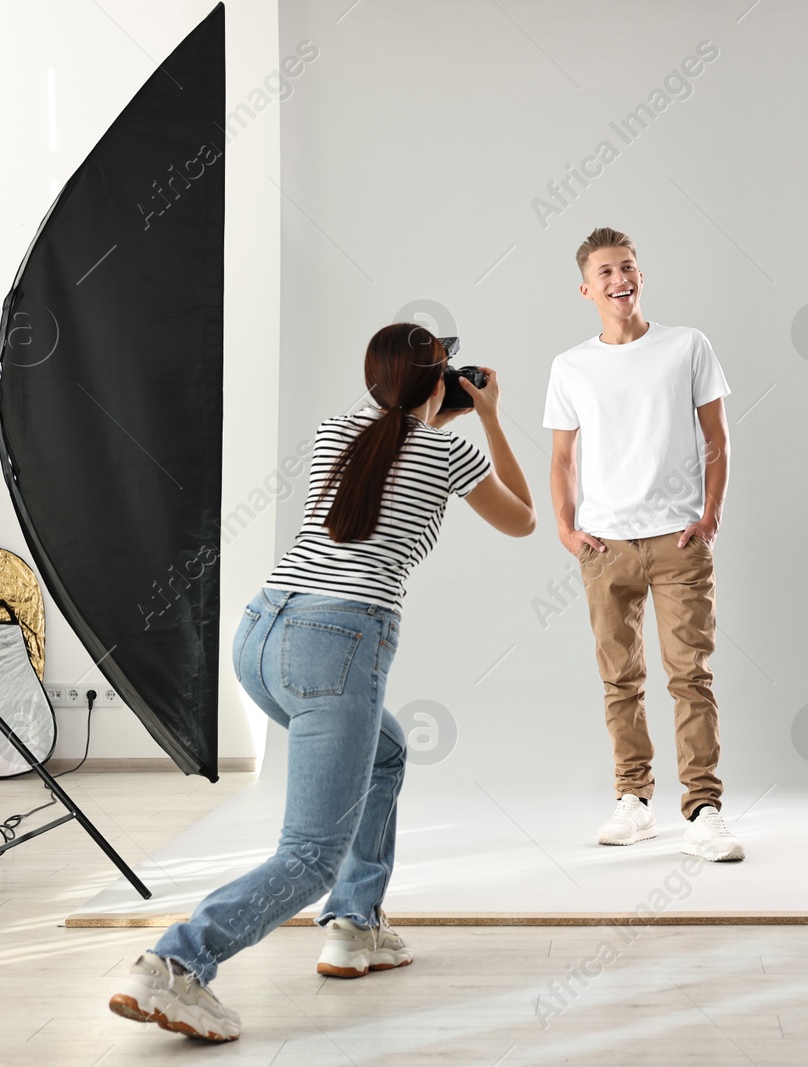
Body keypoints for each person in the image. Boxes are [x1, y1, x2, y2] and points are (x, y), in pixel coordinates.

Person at [109, 323, 536, 1041]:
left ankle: (355, 922)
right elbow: (523, 520)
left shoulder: (339, 427)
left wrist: (428, 410)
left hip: (262, 633)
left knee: (387, 752)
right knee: (309, 853)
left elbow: (389, 447)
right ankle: (175, 965)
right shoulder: (449, 452)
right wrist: (488, 415)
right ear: (442, 382)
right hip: (337, 644)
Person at [543, 226, 742, 862]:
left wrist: (710, 515)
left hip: (678, 540)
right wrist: (567, 528)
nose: (618, 279)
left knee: (691, 676)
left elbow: (717, 437)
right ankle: (633, 801)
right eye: (605, 272)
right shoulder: (570, 366)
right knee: (620, 680)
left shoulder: (686, 346)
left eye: (626, 267)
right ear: (586, 288)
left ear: (640, 275)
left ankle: (704, 810)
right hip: (605, 549)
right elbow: (561, 458)